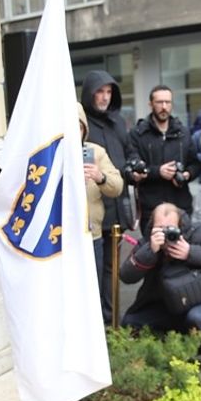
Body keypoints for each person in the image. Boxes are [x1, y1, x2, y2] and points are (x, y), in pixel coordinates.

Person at [120, 203, 201, 388]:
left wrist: (190, 252)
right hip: (161, 303)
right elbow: (126, 275)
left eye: (170, 229)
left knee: (199, 317)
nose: (167, 234)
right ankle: (157, 354)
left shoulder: (197, 232)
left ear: (180, 224)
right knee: (131, 321)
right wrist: (150, 251)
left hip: (196, 300)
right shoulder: (149, 240)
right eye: (160, 228)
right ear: (153, 226)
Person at [80, 70, 137, 323]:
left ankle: (111, 321)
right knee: (91, 272)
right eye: (99, 92)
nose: (104, 97)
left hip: (115, 203)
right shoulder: (81, 126)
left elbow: (128, 154)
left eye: (109, 92)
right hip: (90, 210)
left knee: (112, 270)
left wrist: (134, 167)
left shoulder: (118, 123)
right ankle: (95, 323)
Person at [129, 85, 201, 230]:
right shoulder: (138, 133)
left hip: (180, 206)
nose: (164, 107)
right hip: (151, 208)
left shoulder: (183, 132)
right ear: (150, 104)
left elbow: (195, 164)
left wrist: (187, 175)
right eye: (159, 102)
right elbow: (132, 167)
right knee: (152, 251)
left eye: (167, 102)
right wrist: (158, 172)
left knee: (181, 250)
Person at [78, 103, 124, 287]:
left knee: (92, 288)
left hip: (92, 234)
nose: (74, 131)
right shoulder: (50, 154)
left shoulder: (95, 152)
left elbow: (117, 186)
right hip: (60, 237)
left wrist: (100, 177)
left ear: (84, 129)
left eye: (79, 126)